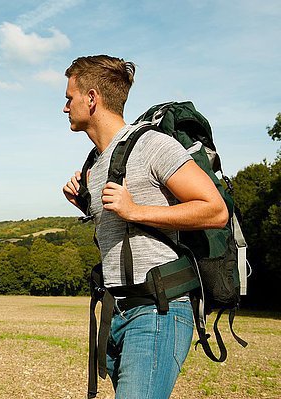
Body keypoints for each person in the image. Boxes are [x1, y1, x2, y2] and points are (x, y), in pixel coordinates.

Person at [61, 55, 228, 399]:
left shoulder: (153, 145)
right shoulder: (96, 163)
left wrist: (135, 210)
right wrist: (83, 201)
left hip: (157, 310)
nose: (65, 107)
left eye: (69, 97)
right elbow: (120, 234)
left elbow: (214, 210)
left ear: (91, 98)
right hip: (118, 311)